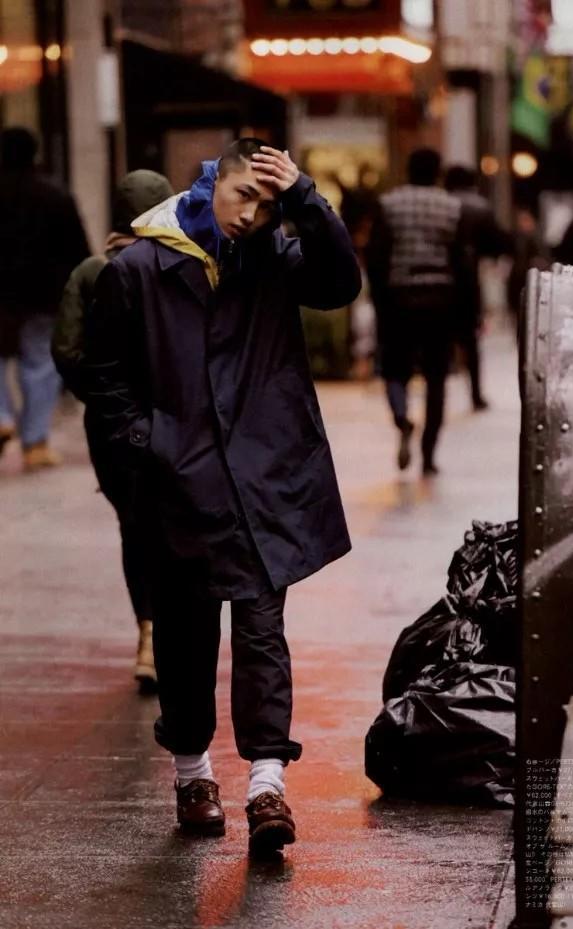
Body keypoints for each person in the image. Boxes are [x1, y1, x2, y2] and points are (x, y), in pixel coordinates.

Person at [83, 139, 361, 852]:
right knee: (185, 635)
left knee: (262, 630)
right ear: (211, 184)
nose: (251, 216)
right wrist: (149, 442)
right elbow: (103, 372)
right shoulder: (139, 268)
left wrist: (304, 198)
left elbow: (339, 282)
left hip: (262, 478)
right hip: (180, 480)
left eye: (267, 208)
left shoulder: (270, 258)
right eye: (245, 197)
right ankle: (192, 775)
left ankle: (268, 784)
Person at [52, 169, 175, 693]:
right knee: (175, 526)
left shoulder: (92, 270)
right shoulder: (179, 263)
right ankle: (174, 636)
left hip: (110, 431)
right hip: (176, 423)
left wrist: (106, 402)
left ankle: (148, 635)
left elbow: (66, 351)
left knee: (134, 526)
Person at [366, 148, 469, 476]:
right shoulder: (451, 207)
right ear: (438, 173)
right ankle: (428, 454)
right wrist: (464, 311)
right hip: (440, 300)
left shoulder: (389, 204)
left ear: (407, 169)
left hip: (399, 299)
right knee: (437, 379)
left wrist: (379, 300)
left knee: (395, 369)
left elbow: (376, 257)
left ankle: (401, 418)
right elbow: (461, 262)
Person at [0, 127, 90, 469]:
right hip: (44, 296)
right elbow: (77, 249)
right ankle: (35, 442)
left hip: (2, 296)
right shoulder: (55, 195)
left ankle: (1, 416)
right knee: (39, 364)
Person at [445, 164, 511, 411]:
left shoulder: (442, 204)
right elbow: (499, 244)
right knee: (471, 338)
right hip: (468, 280)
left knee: (441, 337)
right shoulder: (480, 207)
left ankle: (440, 385)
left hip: (441, 278)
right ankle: (475, 393)